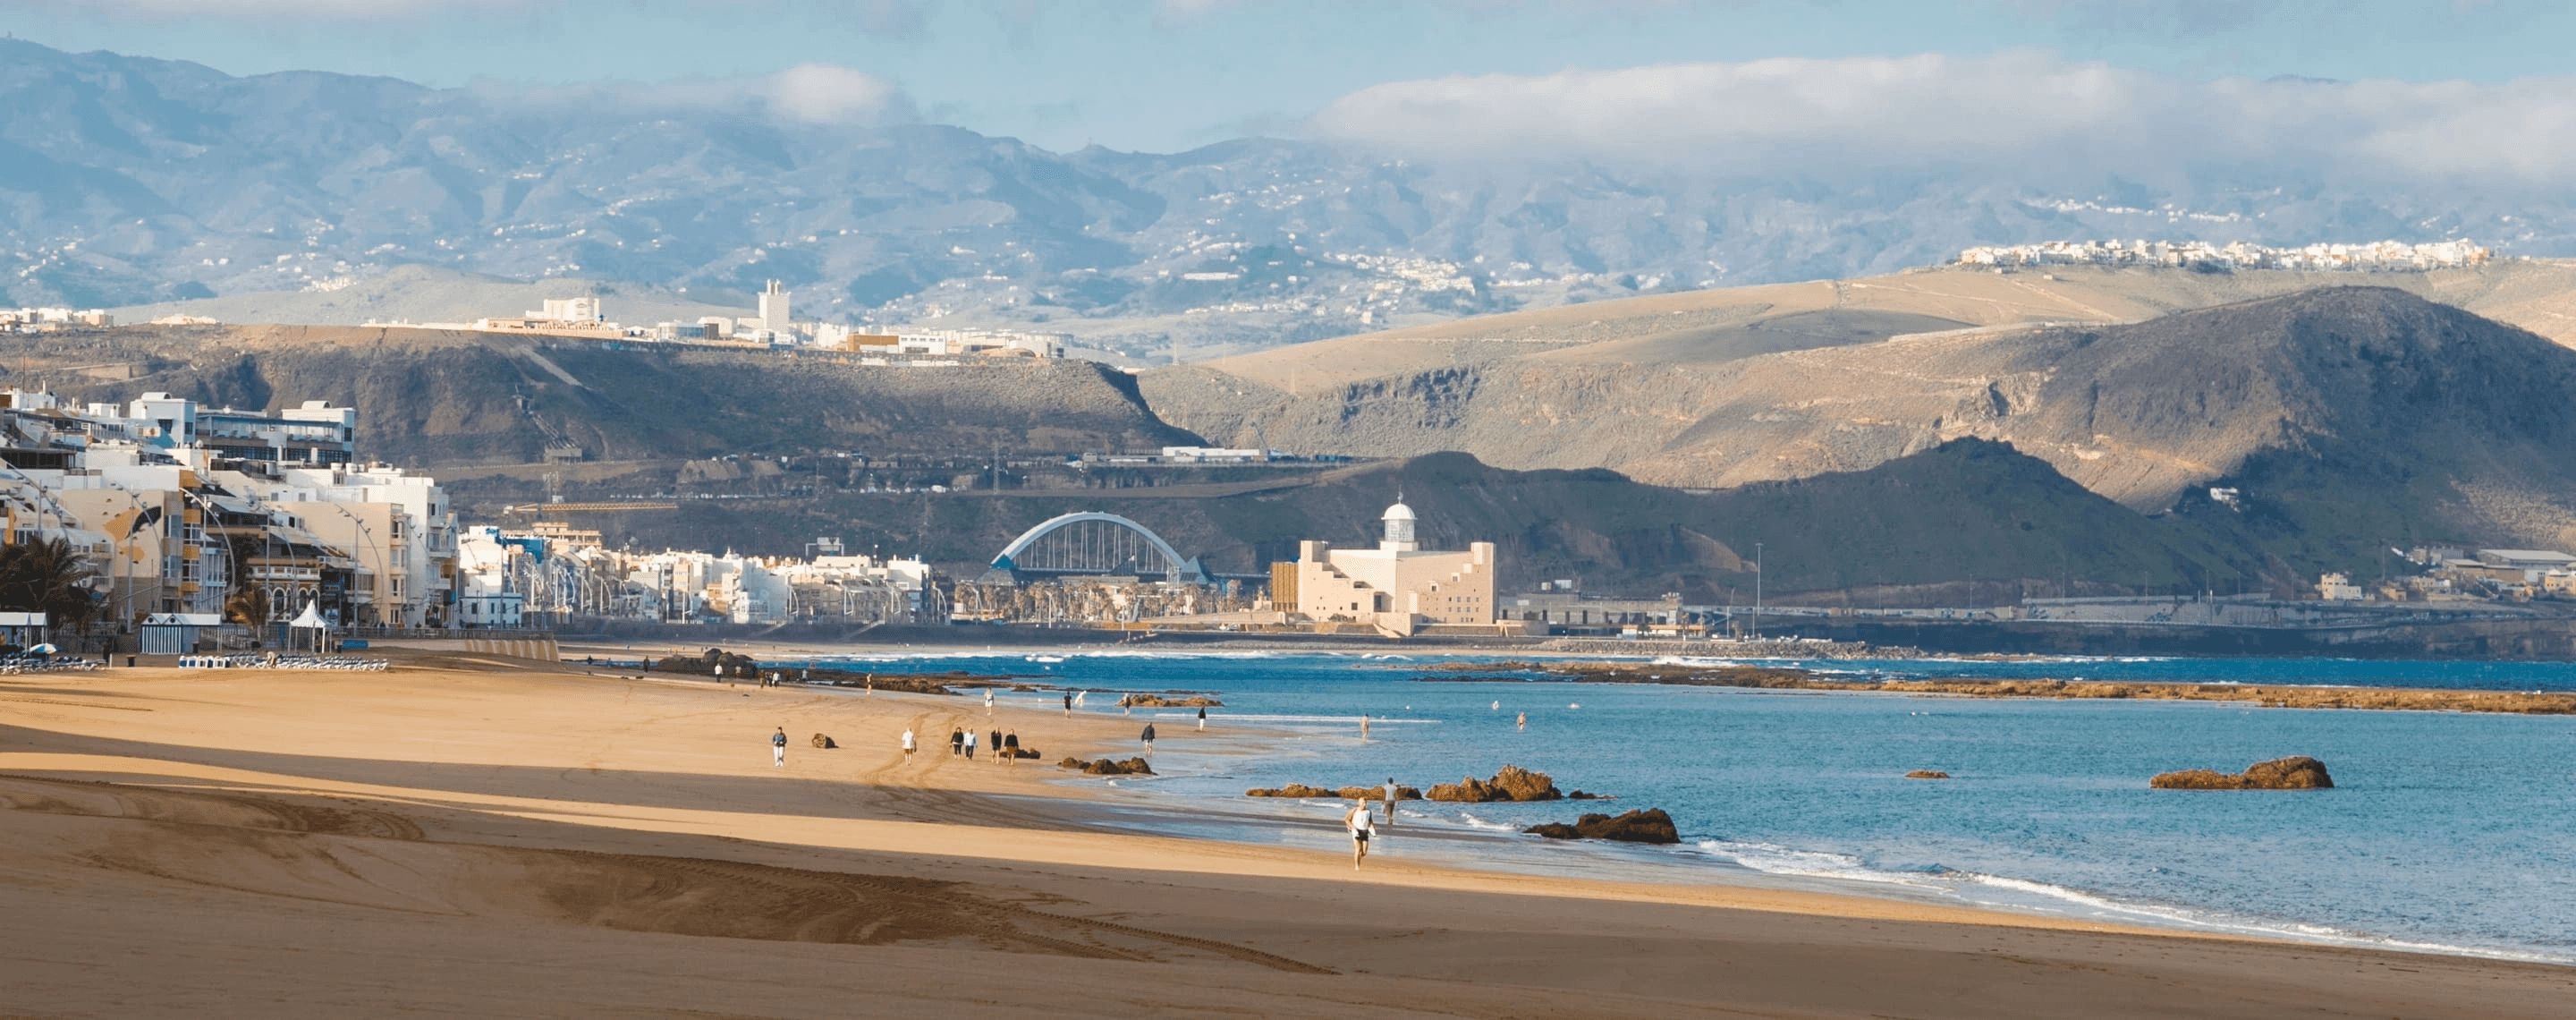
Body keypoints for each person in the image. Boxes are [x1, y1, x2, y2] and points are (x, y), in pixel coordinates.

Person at [1345, 799, 1374, 869]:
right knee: (1358, 849)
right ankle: (1357, 866)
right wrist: (1352, 827)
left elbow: (1370, 821)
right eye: (1363, 803)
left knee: (1364, 852)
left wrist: (1372, 828)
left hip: (1365, 831)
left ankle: (1358, 858)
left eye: (1365, 803)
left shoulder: (1368, 811)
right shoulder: (1354, 811)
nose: (1364, 804)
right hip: (1356, 831)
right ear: (1359, 803)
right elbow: (1347, 820)